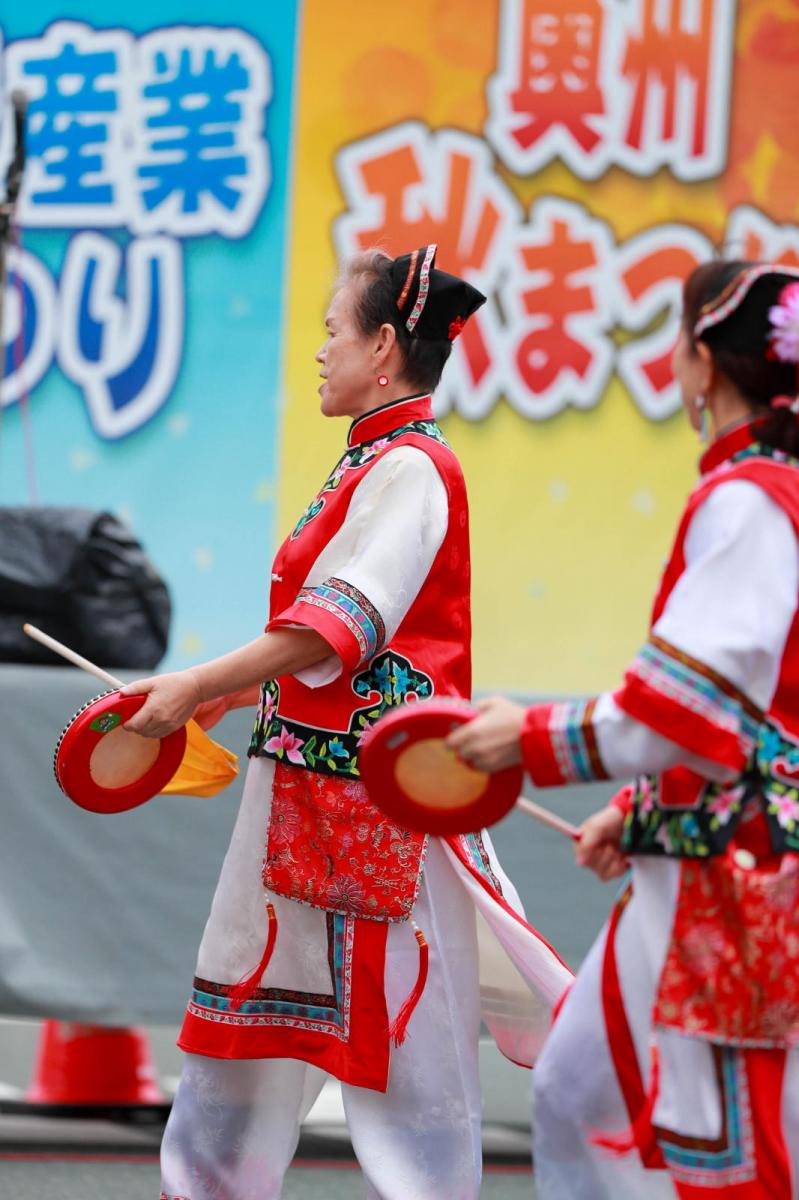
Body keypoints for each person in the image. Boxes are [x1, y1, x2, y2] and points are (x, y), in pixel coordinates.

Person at [123, 244, 572, 1200]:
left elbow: (343, 621)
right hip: (297, 800)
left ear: (380, 345)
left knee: (412, 1065)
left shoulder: (412, 468)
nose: (319, 352)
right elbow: (327, 639)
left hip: (382, 813)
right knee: (239, 1031)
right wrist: (237, 690)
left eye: (332, 332)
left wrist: (200, 676)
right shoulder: (372, 462)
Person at [449, 259, 799, 1199]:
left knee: (738, 1145)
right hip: (698, 854)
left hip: (744, 883)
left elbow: (691, 708)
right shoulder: (765, 493)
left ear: (699, 364)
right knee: (575, 1091)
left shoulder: (751, 501)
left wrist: (526, 739)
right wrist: (641, 813)